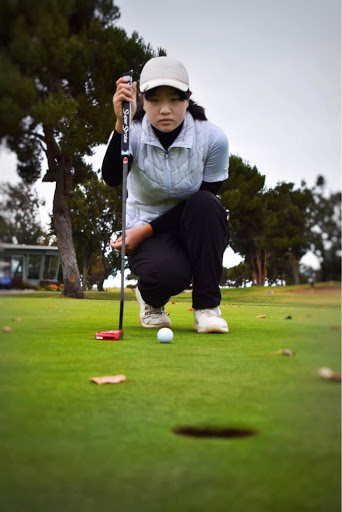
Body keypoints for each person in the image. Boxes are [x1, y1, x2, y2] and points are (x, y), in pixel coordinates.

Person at [102, 56, 230, 334]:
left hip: (189, 227)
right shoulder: (132, 132)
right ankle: (150, 301)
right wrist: (120, 124)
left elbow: (205, 199)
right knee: (167, 276)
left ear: (188, 99)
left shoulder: (212, 138)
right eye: (154, 100)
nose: (164, 110)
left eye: (174, 99)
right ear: (141, 100)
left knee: (207, 205)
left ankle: (207, 309)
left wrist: (145, 231)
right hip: (148, 232)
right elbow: (111, 177)